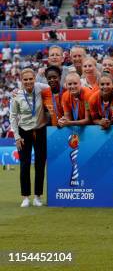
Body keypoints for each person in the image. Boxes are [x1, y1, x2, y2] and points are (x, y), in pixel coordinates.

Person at [10, 69, 48, 207]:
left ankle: (38, 197)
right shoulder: (17, 95)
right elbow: (13, 116)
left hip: (40, 130)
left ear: (34, 79)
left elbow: (53, 88)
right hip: (24, 132)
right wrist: (16, 136)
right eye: (25, 80)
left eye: (30, 79)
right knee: (24, 165)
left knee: (40, 164)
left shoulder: (40, 88)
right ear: (21, 81)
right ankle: (25, 197)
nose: (28, 82)